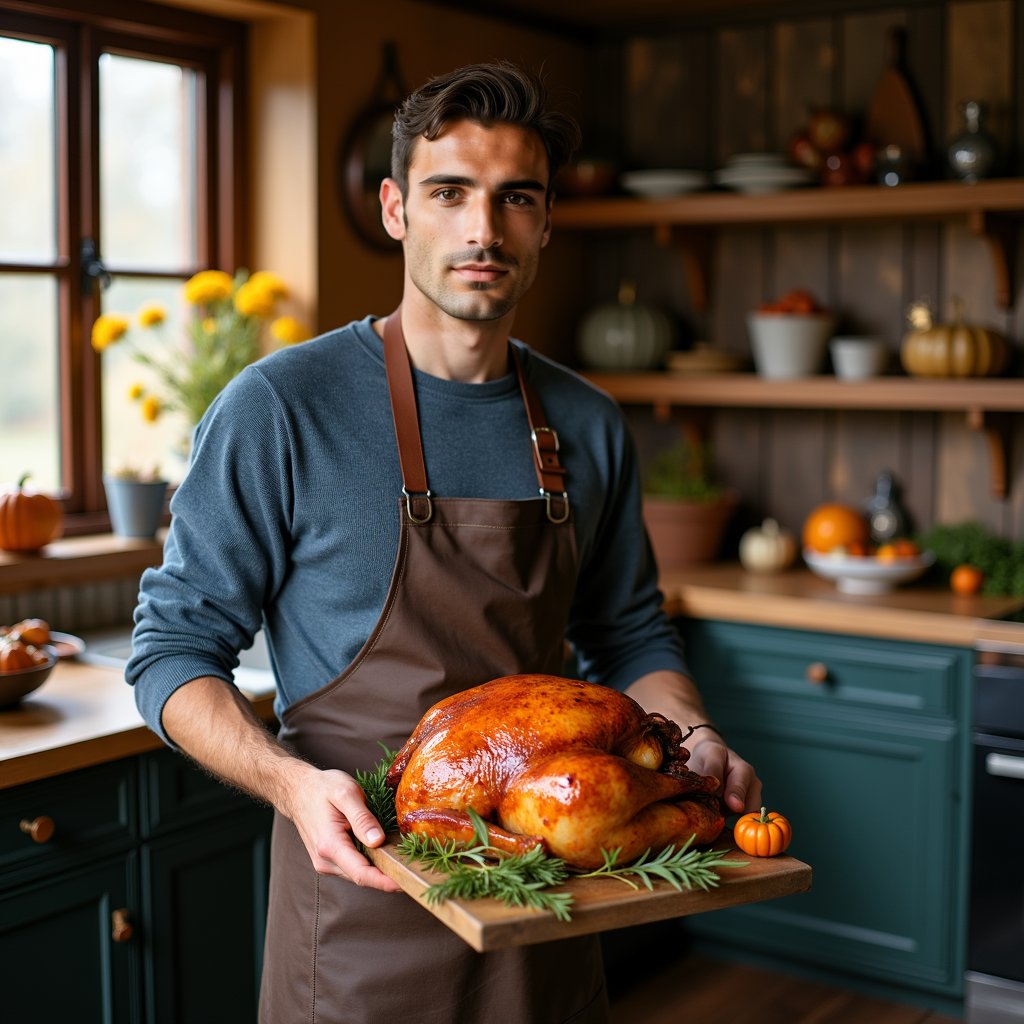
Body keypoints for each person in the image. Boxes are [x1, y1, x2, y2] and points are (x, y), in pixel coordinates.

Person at [127, 59, 761, 1024]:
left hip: (547, 906)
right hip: (359, 902)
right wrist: (292, 785)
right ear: (395, 209)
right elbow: (171, 652)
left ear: (546, 222)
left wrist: (696, 736)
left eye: (516, 199)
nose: (482, 229)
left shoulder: (586, 423)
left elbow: (630, 637)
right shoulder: (280, 408)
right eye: (449, 193)